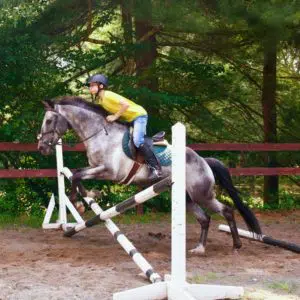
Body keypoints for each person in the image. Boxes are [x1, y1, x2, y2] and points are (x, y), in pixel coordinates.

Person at [87, 74, 162, 180]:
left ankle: (156, 168)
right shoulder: (101, 100)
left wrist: (115, 116)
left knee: (137, 141)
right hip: (129, 119)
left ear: (101, 86)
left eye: (93, 85)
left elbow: (125, 105)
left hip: (138, 115)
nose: (90, 88)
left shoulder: (108, 95)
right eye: (89, 86)